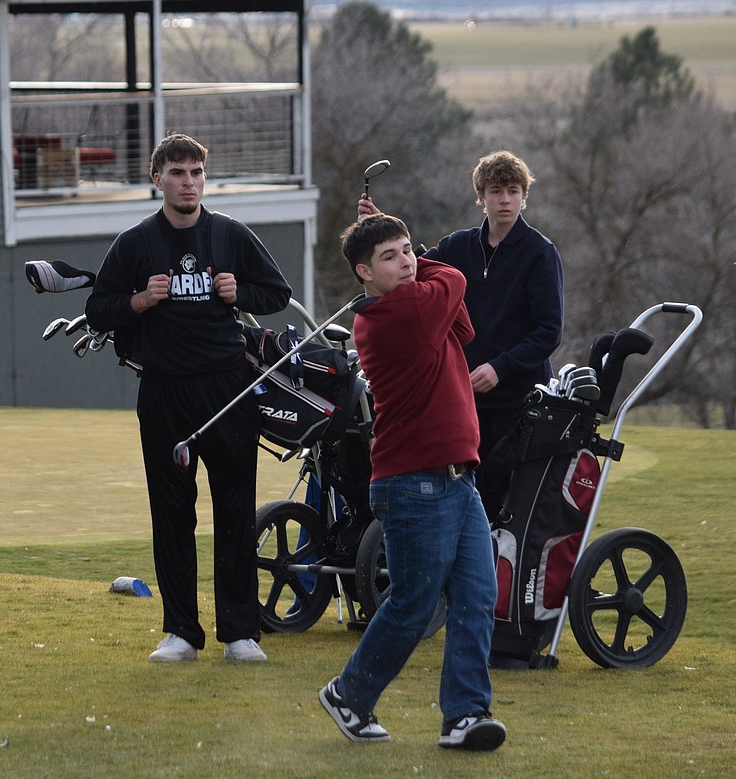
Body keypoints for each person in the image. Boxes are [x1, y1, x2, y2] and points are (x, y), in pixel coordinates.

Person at [85, 134, 291, 663]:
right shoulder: (135, 243)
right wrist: (140, 299)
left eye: (196, 172)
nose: (189, 182)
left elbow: (276, 293)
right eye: (177, 173)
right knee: (172, 512)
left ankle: (240, 633)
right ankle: (180, 631)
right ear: (158, 179)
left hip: (228, 388)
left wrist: (237, 294)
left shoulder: (228, 234)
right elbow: (98, 310)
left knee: (236, 511)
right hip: (164, 390)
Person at [317, 213, 505, 750]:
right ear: (363, 274)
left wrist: (410, 254)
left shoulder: (417, 304)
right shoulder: (394, 313)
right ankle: (349, 694)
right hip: (414, 482)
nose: (405, 262)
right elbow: (456, 281)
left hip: (457, 480)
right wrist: (426, 259)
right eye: (390, 257)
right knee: (413, 604)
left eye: (406, 251)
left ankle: (465, 716)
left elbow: (463, 326)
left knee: (475, 596)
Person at [360, 150, 563, 523]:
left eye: (513, 191)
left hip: (519, 402)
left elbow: (549, 331)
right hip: (463, 404)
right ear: (481, 196)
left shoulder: (539, 252)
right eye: (496, 190)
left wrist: (500, 367)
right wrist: (380, 232)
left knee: (509, 511)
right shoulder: (458, 246)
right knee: (471, 507)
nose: (505, 200)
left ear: (524, 196)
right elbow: (411, 270)